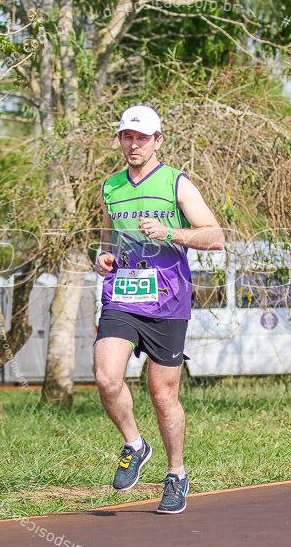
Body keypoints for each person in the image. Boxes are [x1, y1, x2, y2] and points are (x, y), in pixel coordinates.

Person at [93, 105, 225, 514]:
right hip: (123, 295)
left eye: (142, 138)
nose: (133, 145)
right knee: (105, 376)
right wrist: (102, 257)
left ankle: (176, 475)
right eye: (127, 137)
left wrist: (171, 232)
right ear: (119, 139)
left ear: (158, 141)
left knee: (162, 394)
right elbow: (108, 237)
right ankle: (135, 444)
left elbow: (216, 236)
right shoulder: (110, 188)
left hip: (168, 299)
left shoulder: (176, 183)